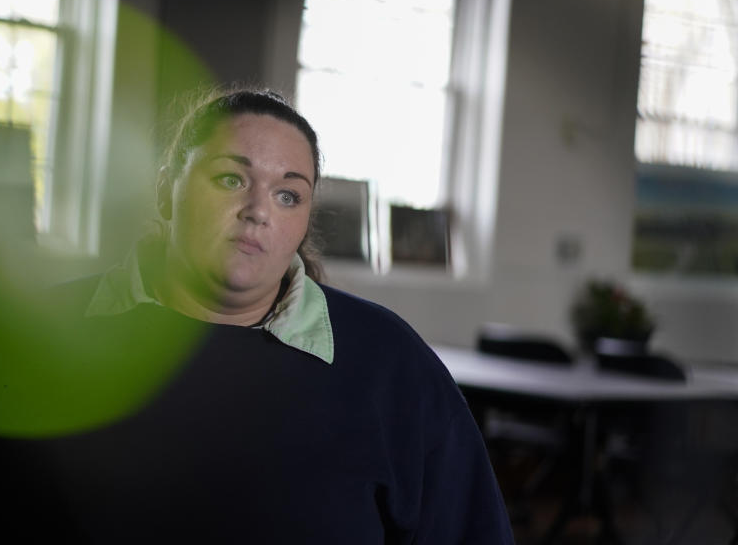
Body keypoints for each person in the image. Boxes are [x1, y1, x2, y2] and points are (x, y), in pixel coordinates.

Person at [46, 88, 515, 544]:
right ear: (167, 188)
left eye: (288, 195)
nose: (257, 212)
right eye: (231, 180)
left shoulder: (389, 360)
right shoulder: (51, 329)